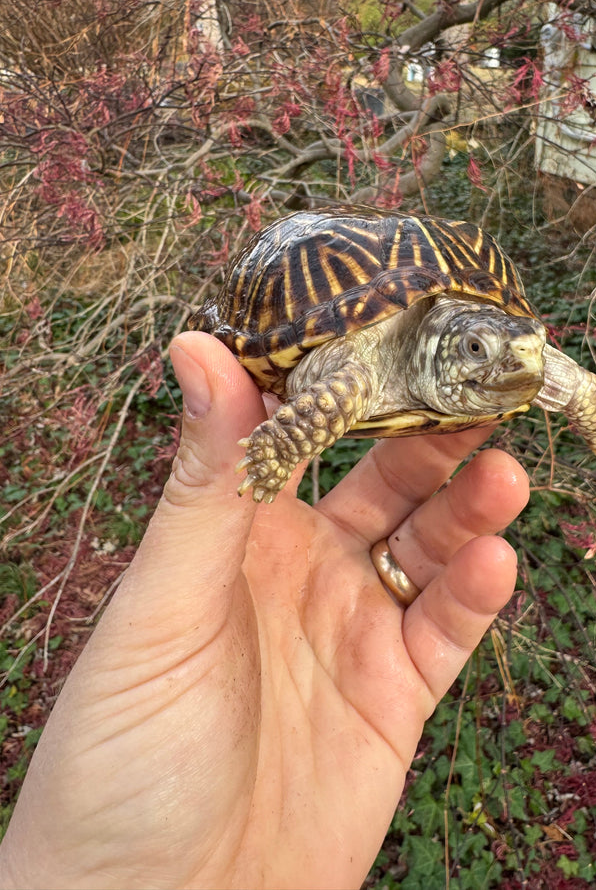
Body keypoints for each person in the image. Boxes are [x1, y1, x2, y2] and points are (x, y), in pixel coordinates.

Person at [0, 331, 529, 890]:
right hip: (342, 342)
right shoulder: (360, 365)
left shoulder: (502, 357)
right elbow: (336, 386)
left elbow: (530, 361)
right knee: (340, 397)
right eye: (473, 348)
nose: (518, 360)